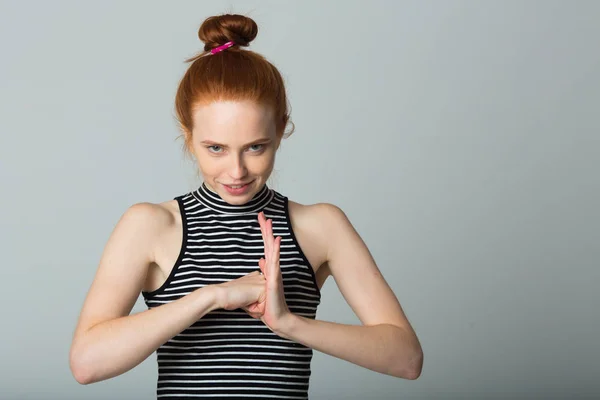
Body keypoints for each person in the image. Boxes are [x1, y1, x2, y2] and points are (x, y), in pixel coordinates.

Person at [69, 13, 423, 399]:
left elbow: (406, 359)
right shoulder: (151, 226)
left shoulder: (321, 226)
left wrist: (287, 322)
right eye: (216, 148)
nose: (236, 171)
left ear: (280, 131)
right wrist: (212, 296)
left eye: (256, 147)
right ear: (189, 137)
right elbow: (87, 363)